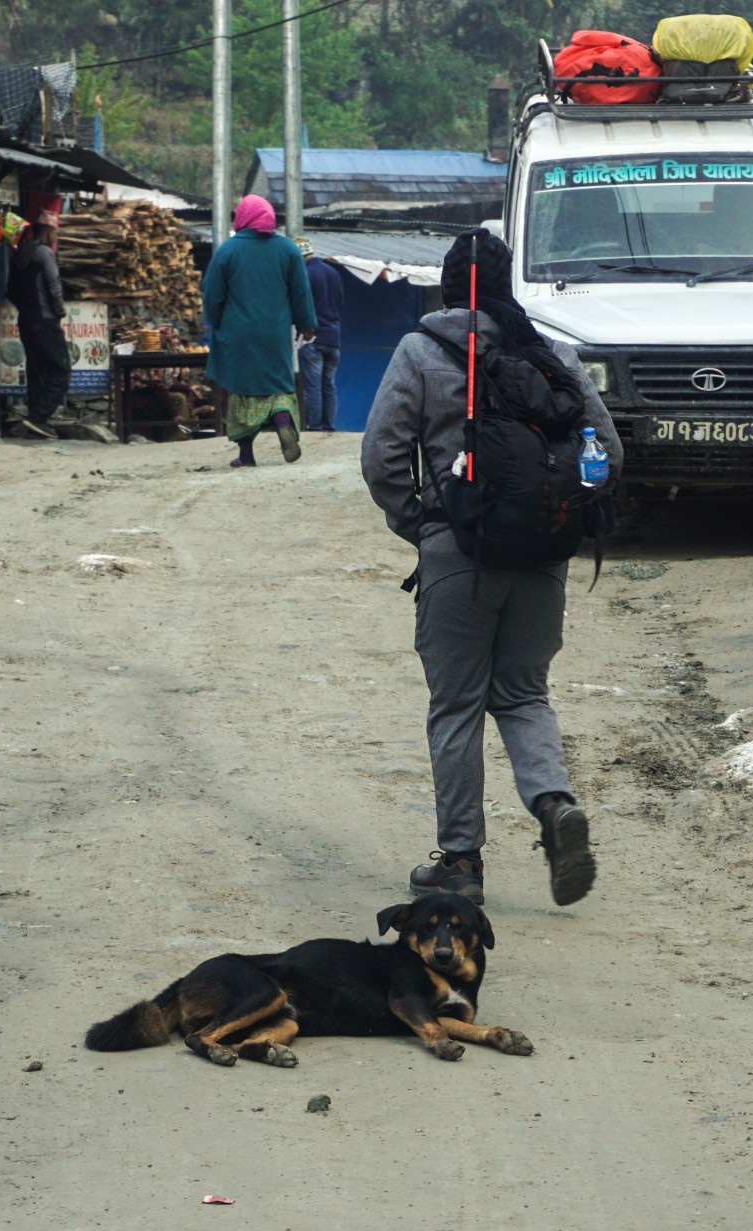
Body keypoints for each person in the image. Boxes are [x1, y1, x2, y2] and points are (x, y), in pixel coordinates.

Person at [360, 229, 622, 908]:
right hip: (541, 559)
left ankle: (461, 863)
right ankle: (554, 803)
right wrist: (560, 513)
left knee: (456, 707)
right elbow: (609, 453)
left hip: (459, 554)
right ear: (510, 287)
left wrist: (424, 524)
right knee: (524, 694)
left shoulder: (421, 351)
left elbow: (382, 454)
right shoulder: (550, 353)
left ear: (447, 287)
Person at [202, 194, 316, 467]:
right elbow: (301, 293)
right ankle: (282, 421)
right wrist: (307, 326)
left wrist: (214, 321)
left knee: (242, 391)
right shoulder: (289, 250)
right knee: (277, 388)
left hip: (237, 335)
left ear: (243, 217)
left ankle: (246, 455)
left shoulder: (228, 251)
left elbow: (212, 294)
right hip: (275, 334)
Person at [9, 208, 69, 440]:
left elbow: (10, 290)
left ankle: (35, 418)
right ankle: (39, 417)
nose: (56, 237)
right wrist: (59, 312)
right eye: (55, 232)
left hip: (26, 320)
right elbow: (54, 284)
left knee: (36, 370)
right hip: (45, 321)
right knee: (61, 369)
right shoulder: (44, 253)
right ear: (48, 232)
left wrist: (27, 309)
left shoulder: (20, 253)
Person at [299, 241, 344, 432]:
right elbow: (340, 302)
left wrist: (304, 328)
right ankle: (329, 425)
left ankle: (315, 426)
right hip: (334, 337)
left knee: (313, 386)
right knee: (329, 385)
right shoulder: (333, 272)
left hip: (313, 337)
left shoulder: (305, 275)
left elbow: (301, 305)